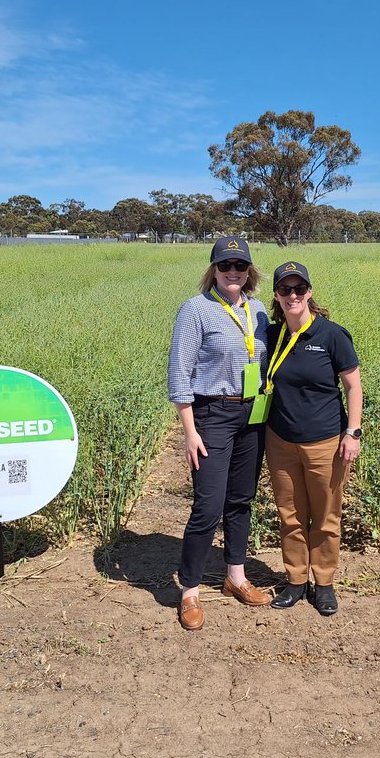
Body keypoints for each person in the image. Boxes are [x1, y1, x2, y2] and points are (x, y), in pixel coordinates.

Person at [167, 236, 272, 630]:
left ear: (249, 272)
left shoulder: (259, 311)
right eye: (225, 266)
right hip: (211, 415)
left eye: (240, 266)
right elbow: (179, 372)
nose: (233, 272)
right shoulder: (196, 311)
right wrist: (189, 431)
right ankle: (190, 590)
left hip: (252, 416)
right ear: (213, 270)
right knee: (207, 507)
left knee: (241, 501)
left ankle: (236, 577)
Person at [263, 261, 362, 616]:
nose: (293, 295)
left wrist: (352, 432)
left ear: (309, 292)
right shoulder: (272, 336)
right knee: (289, 515)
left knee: (325, 517)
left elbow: (353, 386)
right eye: (285, 289)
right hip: (280, 442)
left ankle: (323, 584)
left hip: (326, 442)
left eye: (299, 289)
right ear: (276, 295)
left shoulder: (332, 335)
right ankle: (294, 581)